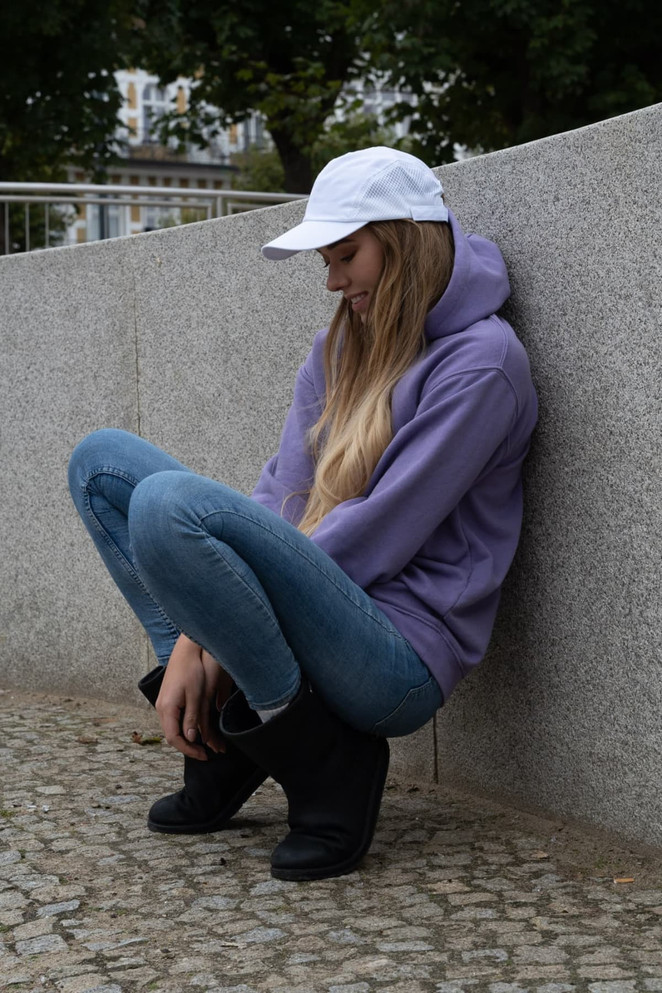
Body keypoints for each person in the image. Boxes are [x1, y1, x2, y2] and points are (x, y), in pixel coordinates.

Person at [68, 146, 538, 882]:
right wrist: (198, 628)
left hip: (397, 655)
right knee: (102, 467)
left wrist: (211, 631)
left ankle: (326, 761)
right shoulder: (338, 346)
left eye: (347, 253)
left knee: (167, 505)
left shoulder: (484, 364)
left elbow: (379, 535)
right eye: (327, 257)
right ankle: (226, 742)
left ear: (406, 240)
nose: (331, 279)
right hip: (320, 602)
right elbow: (280, 495)